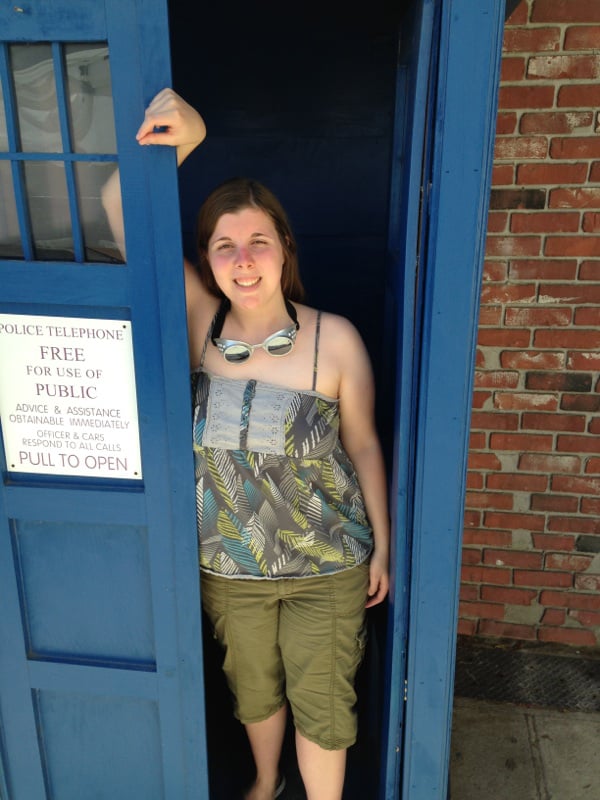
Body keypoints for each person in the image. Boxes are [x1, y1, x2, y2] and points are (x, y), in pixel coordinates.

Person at [105, 88, 390, 800]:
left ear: (284, 247)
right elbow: (118, 206)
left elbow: (362, 445)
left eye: (258, 240)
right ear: (207, 259)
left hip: (328, 562)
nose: (243, 259)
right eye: (224, 245)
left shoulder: (334, 338)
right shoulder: (200, 323)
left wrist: (383, 548)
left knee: (324, 704)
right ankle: (267, 783)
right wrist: (189, 138)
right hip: (230, 565)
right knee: (254, 691)